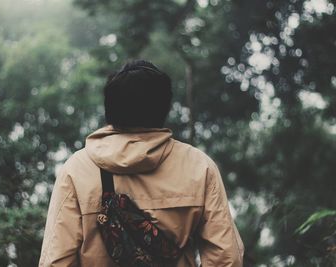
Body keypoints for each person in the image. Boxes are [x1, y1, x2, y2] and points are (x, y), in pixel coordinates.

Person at [38, 60, 244, 267]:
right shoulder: (199, 166)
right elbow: (227, 258)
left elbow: (55, 261)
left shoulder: (77, 169)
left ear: (110, 107)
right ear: (164, 107)